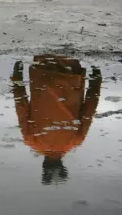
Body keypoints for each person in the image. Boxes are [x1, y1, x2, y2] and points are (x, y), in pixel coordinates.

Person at [10, 55, 101, 184]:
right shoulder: (31, 139)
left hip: (71, 74)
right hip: (42, 72)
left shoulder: (76, 140)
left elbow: (90, 106)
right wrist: (17, 77)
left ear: (62, 164)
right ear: (44, 164)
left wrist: (96, 78)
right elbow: (21, 104)